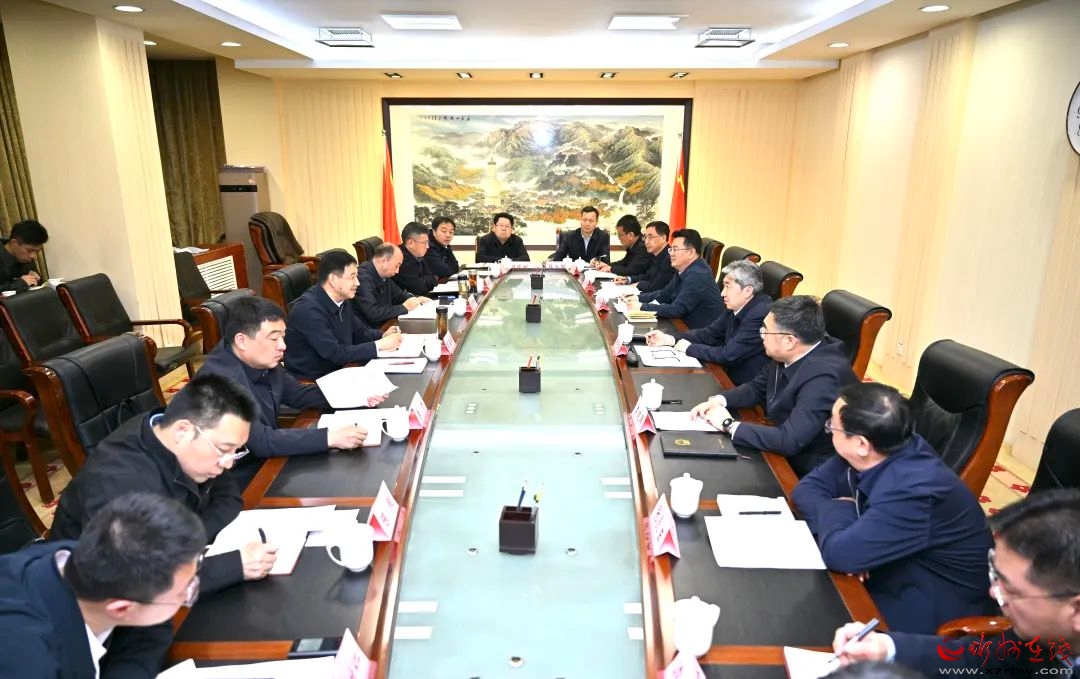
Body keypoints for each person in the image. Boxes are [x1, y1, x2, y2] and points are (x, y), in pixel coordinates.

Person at [793, 382, 995, 634]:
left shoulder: (914, 490)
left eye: (832, 426)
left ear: (861, 444)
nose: (829, 431)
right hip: (892, 567)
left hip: (929, 608)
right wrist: (854, 535)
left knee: (807, 621)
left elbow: (840, 555)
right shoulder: (878, 446)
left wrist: (843, 513)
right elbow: (806, 490)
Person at [50, 373, 277, 592]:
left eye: (235, 451)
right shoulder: (120, 482)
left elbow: (229, 499)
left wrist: (178, 548)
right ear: (182, 431)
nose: (228, 463)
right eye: (225, 450)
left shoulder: (176, 436)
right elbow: (127, 580)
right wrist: (234, 566)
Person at [831, 488, 1080, 676]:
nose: (993, 592)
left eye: (1010, 590)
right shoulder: (1039, 631)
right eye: (996, 575)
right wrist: (885, 648)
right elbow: (986, 660)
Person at [0, 493, 207, 678]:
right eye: (184, 593)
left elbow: (151, 630)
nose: (188, 595)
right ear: (121, 609)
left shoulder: (84, 555)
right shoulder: (29, 663)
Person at [199, 296, 375, 489]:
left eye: (283, 337)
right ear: (242, 341)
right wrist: (331, 438)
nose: (283, 345)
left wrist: (358, 394)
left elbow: (299, 394)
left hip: (265, 461)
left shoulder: (260, 359)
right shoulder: (218, 383)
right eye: (274, 338)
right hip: (228, 481)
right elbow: (261, 442)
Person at [690, 295, 857, 476]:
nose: (761, 336)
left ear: (789, 341)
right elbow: (757, 387)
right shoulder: (792, 352)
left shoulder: (824, 377)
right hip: (781, 441)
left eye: (765, 331)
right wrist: (720, 400)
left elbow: (790, 440)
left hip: (809, 468)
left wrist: (729, 424)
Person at [644, 259, 771, 385]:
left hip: (745, 385)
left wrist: (689, 348)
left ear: (747, 291)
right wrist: (670, 339)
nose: (722, 293)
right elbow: (709, 333)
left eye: (728, 286)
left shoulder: (759, 315)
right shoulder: (737, 305)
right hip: (728, 375)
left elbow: (728, 355)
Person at [286, 249, 404, 379]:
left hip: (343, 368)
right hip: (314, 381)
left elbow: (360, 332)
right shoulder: (307, 310)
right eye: (352, 277)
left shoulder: (342, 299)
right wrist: (379, 345)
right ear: (333, 279)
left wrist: (382, 335)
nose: (357, 283)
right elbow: (335, 354)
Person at [628, 228, 724, 330]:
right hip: (683, 325)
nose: (671, 253)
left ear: (691, 252)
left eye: (675, 249)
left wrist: (641, 307)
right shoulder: (685, 269)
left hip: (698, 333)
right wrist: (637, 298)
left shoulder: (697, 275)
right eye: (671, 249)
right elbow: (664, 294)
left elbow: (676, 309)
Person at [354, 244, 432, 327]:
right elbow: (374, 313)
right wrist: (404, 307)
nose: (397, 271)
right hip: (371, 330)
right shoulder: (362, 278)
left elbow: (399, 295)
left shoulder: (385, 275)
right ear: (383, 261)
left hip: (385, 325)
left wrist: (417, 299)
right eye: (397, 266)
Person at [617, 220, 675, 293]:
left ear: (663, 238)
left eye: (650, 237)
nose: (646, 242)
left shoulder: (670, 258)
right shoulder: (656, 254)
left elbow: (656, 286)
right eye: (645, 237)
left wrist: (638, 284)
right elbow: (647, 276)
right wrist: (628, 279)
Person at [1, 219, 48, 293]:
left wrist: (35, 279)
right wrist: (21, 283)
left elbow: (38, 287)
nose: (34, 256)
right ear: (14, 243)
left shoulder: (27, 258)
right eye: (29, 251)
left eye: (37, 252)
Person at [394, 222, 438, 295]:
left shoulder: (417, 254)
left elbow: (433, 277)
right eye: (424, 243)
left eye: (428, 242)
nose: (427, 246)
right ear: (410, 243)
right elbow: (420, 289)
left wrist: (424, 279)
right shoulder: (400, 259)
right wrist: (426, 279)